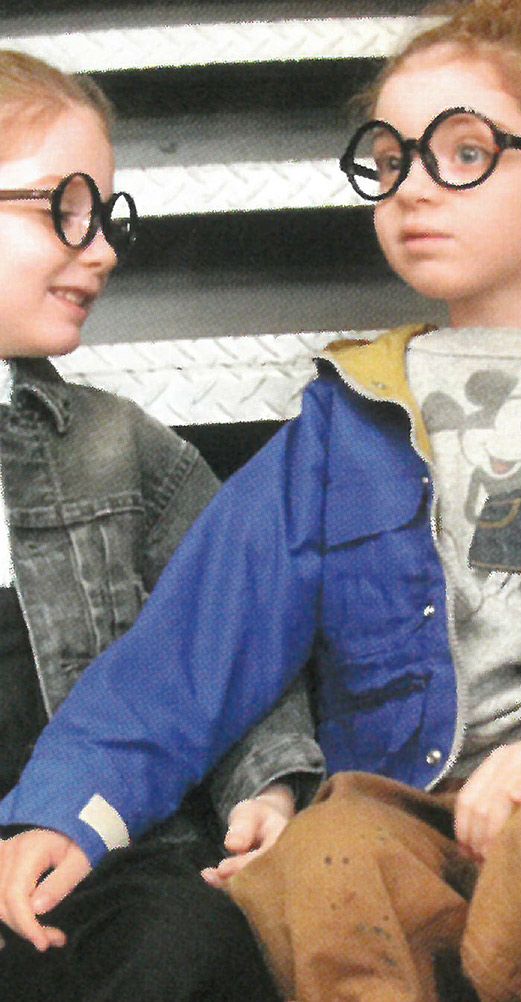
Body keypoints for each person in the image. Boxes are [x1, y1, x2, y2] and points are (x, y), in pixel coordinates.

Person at [0, 3, 521, 1000]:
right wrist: (69, 809)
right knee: (327, 856)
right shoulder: (345, 426)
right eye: (390, 161)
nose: (413, 187)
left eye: (464, 152)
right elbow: (195, 642)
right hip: (410, 810)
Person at [0, 49, 324, 1001]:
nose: (102, 248)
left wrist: (265, 787)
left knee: (191, 945)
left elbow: (234, 643)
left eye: (107, 216)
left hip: (95, 855)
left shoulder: (120, 448)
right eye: (65, 210)